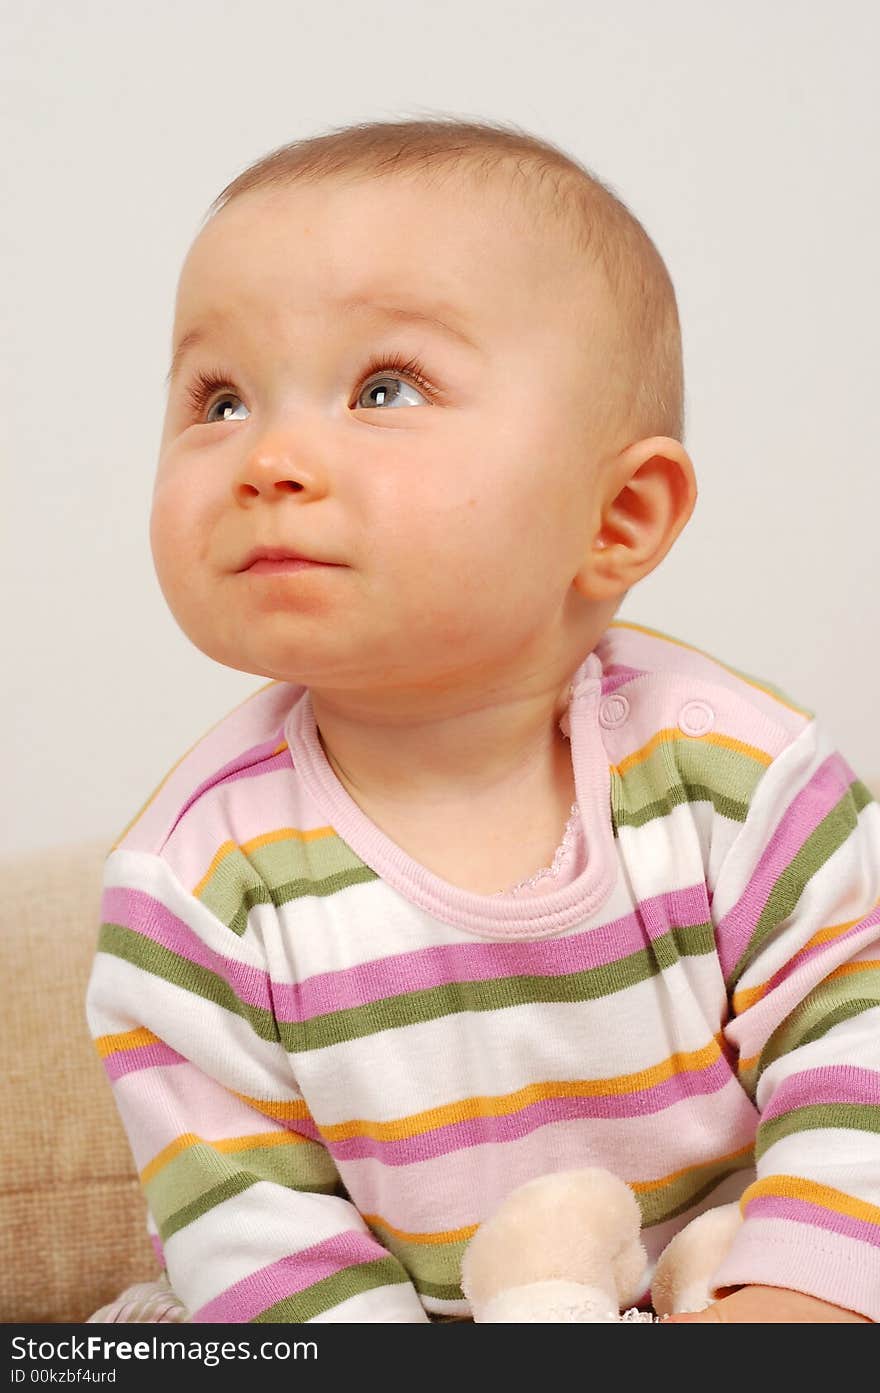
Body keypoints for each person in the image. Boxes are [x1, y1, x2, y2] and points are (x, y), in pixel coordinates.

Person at [85, 116, 879, 1324]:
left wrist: (793, 1307)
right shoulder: (190, 891)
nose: (269, 459)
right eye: (222, 398)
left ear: (617, 518)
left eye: (382, 387)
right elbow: (260, 1244)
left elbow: (855, 1049)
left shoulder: (737, 780)